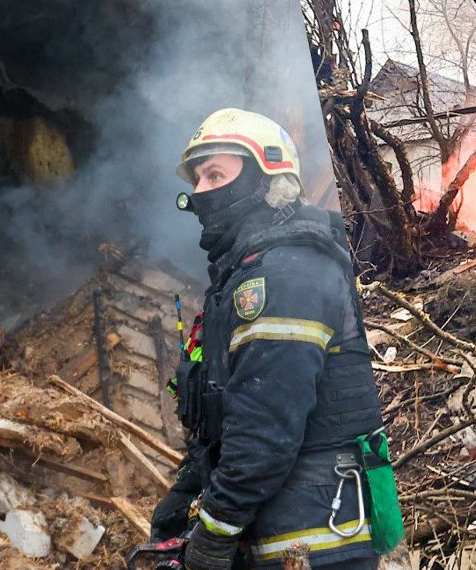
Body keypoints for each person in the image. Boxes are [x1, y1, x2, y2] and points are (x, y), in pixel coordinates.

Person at [151, 108, 394, 569]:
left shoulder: (287, 272)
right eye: (197, 179)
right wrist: (186, 493)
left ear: (267, 179)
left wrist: (216, 530)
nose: (200, 193)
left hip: (316, 539)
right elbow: (227, 420)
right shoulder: (240, 280)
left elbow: (266, 424)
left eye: (215, 174)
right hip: (280, 534)